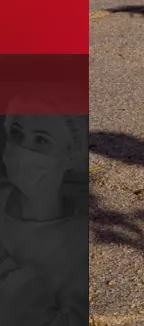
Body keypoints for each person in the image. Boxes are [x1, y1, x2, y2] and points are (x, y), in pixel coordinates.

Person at [0, 95, 85, 325]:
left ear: (71, 154)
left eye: (41, 140)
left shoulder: (81, 246)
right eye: (17, 134)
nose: (23, 150)